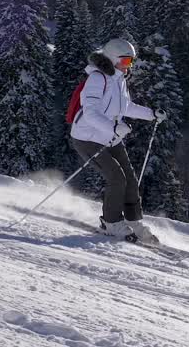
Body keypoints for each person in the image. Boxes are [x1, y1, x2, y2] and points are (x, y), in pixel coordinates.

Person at [69, 37, 167, 242]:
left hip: (111, 136)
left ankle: (133, 221)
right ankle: (111, 222)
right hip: (87, 137)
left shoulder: (119, 80)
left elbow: (127, 107)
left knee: (130, 178)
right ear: (113, 59)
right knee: (116, 178)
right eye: (125, 61)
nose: (128, 66)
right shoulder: (97, 79)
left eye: (131, 62)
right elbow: (90, 113)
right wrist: (113, 127)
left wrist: (151, 114)